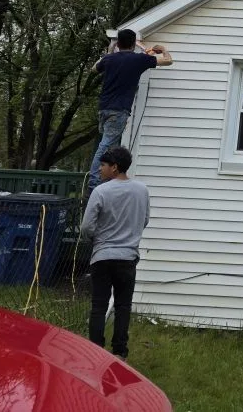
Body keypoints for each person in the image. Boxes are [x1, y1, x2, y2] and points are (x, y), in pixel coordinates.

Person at [80, 146, 150, 360]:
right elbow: (145, 220)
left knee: (99, 305)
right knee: (123, 306)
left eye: (103, 165)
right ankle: (120, 352)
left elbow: (86, 227)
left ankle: (96, 351)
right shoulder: (142, 190)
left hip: (102, 256)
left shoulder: (101, 191)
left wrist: (94, 240)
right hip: (128, 258)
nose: (100, 169)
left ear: (115, 167)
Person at [88, 28, 172, 190]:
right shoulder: (139, 60)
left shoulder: (109, 59)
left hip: (103, 109)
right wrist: (163, 49)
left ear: (118, 43)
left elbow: (94, 69)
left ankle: (105, 178)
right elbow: (168, 61)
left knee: (109, 144)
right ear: (134, 44)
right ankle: (94, 181)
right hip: (119, 110)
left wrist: (108, 52)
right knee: (105, 145)